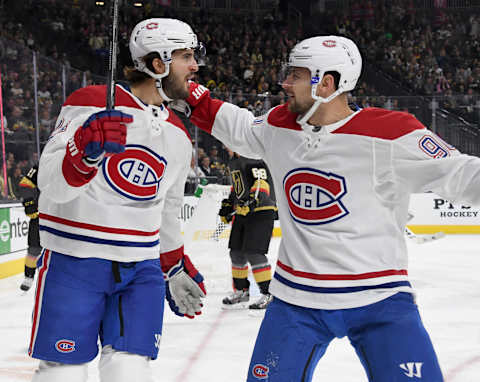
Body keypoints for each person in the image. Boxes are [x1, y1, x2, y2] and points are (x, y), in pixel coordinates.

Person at [179, 35, 480, 381]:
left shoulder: (391, 133)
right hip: (296, 299)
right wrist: (184, 89)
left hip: (380, 298)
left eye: (296, 75)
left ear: (327, 83)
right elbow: (238, 125)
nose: (285, 83)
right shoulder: (278, 124)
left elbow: (461, 173)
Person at [30, 18, 206, 382]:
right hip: (75, 261)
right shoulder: (92, 102)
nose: (195, 66)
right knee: (63, 373)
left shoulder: (178, 134)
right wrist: (84, 153)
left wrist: (172, 266)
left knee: (131, 370)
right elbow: (50, 183)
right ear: (158, 64)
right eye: (186, 56)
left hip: (141, 269)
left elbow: (167, 212)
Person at [219, 150, 277, 310]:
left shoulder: (253, 157)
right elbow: (238, 187)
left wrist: (253, 201)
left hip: (262, 210)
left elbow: (262, 182)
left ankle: (267, 293)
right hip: (243, 212)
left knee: (254, 252)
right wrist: (229, 204)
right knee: (236, 252)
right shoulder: (235, 162)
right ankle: (241, 291)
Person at [18, 164, 41, 291]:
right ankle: (29, 276)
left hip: (62, 216)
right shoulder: (40, 165)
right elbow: (26, 184)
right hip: (41, 216)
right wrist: (29, 203)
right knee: (34, 248)